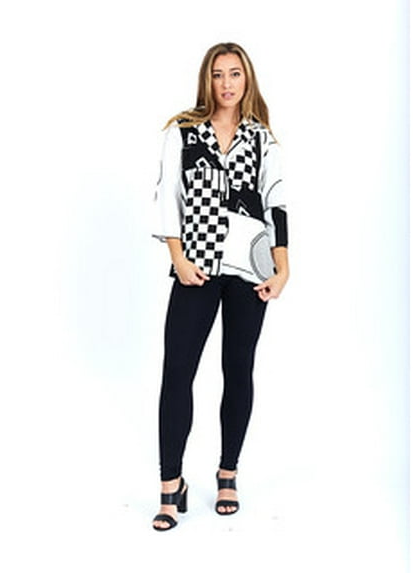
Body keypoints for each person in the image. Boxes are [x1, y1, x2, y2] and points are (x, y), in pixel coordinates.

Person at [151, 42, 289, 531]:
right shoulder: (183, 132)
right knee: (177, 373)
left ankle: (228, 472)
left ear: (247, 79)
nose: (226, 83)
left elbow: (276, 203)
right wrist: (178, 257)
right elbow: (168, 196)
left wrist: (282, 268)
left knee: (238, 370)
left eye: (234, 73)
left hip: (251, 270)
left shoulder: (262, 139)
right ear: (206, 80)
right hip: (198, 266)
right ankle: (171, 485)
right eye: (217, 74)